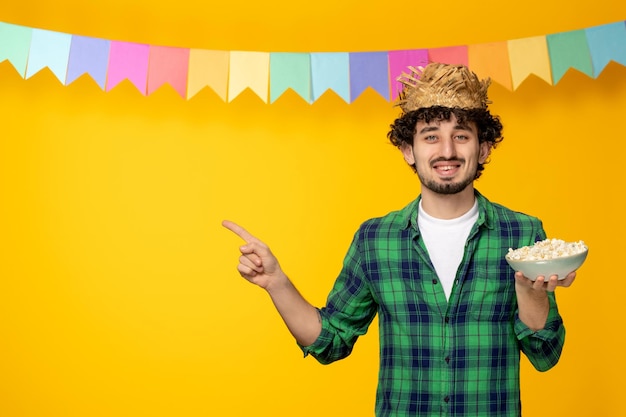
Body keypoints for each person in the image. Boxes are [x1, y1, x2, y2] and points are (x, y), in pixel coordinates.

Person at [222, 62, 576, 417]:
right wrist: (276, 283)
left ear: (483, 149)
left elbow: (546, 356)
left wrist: (532, 296)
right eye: (431, 136)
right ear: (409, 150)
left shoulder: (523, 234)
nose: (447, 150)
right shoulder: (376, 239)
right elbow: (329, 342)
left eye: (462, 135)